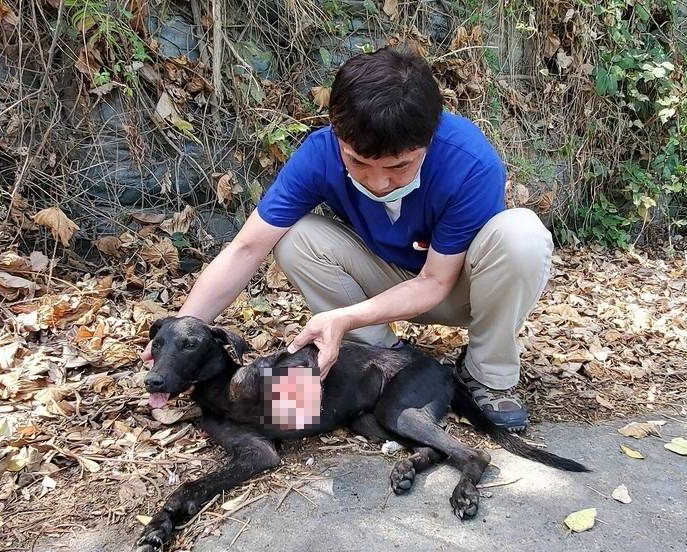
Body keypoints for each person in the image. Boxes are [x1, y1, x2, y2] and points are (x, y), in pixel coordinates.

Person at [141, 47, 553, 432]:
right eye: (357, 161)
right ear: (337, 133)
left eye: (399, 166)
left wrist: (346, 317)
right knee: (294, 236)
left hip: (460, 287)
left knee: (522, 236)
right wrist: (179, 336)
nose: (376, 181)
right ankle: (385, 360)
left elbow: (435, 282)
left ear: (429, 142)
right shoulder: (319, 156)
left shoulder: (468, 161)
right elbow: (247, 247)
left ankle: (488, 376)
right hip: (385, 279)